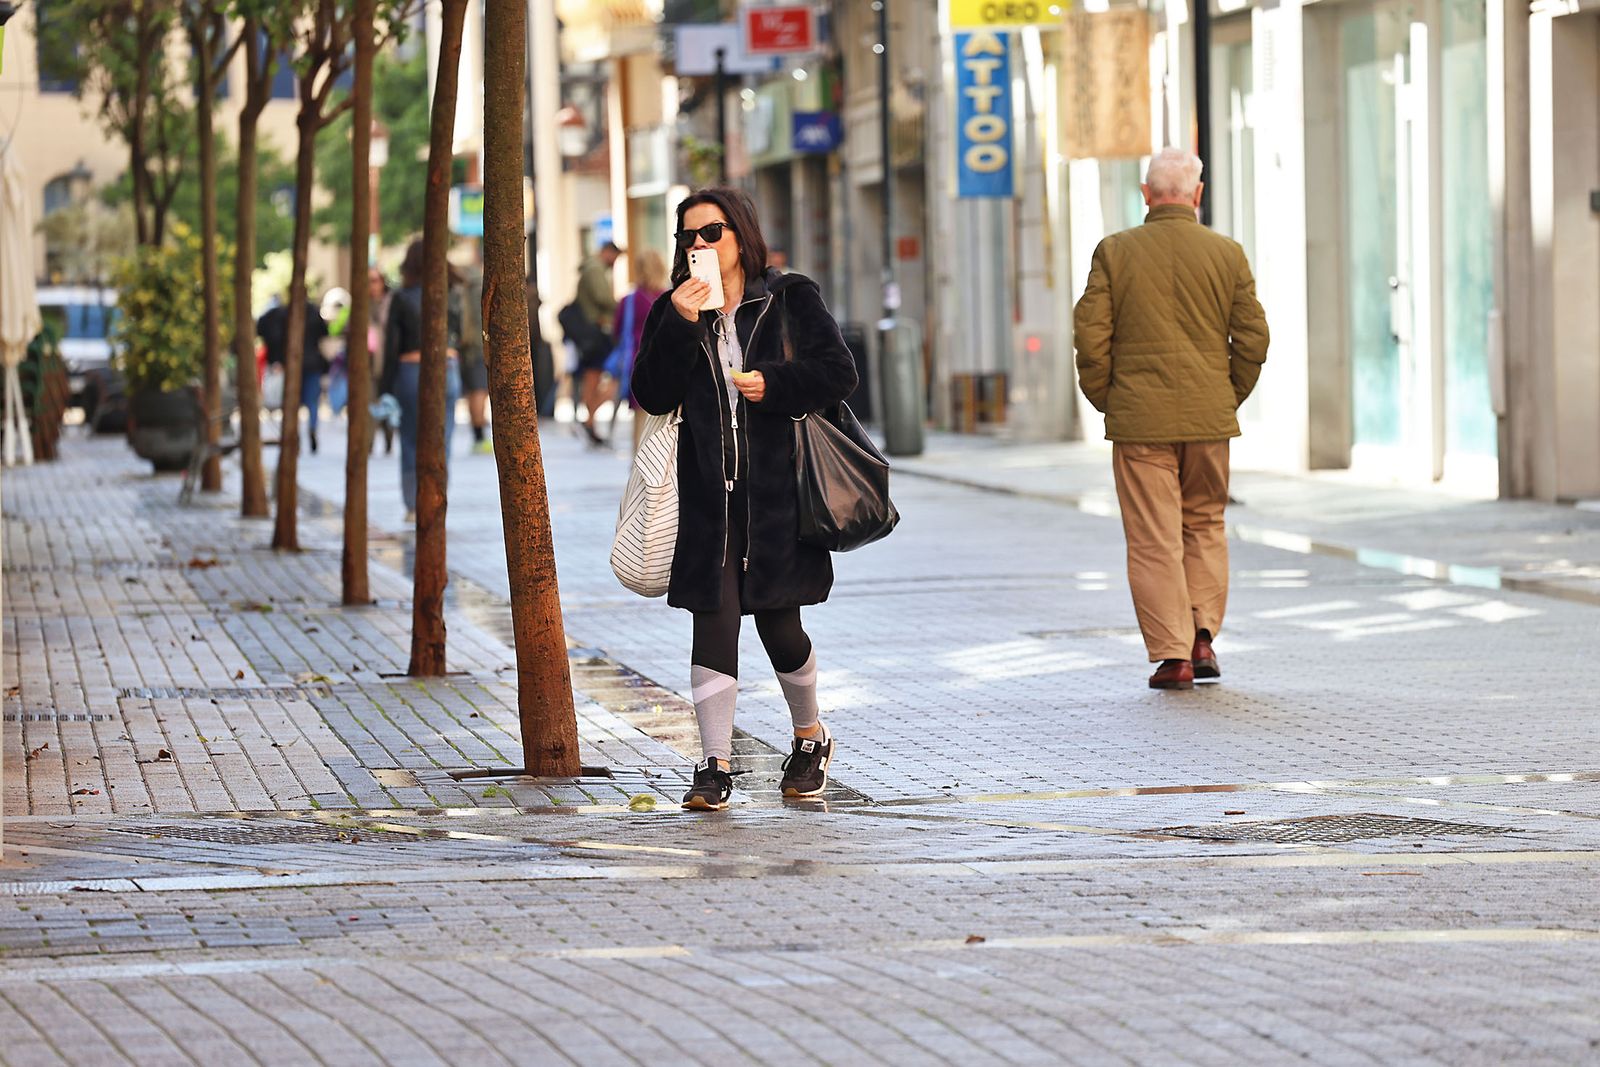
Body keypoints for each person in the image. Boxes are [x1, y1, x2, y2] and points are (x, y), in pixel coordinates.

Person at [631, 188, 858, 811]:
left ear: (741, 235)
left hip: (778, 499)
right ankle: (714, 765)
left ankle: (810, 738)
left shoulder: (787, 298)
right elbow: (650, 393)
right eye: (688, 237)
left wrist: (775, 384)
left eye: (712, 232)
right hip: (707, 496)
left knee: (781, 627)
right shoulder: (673, 311)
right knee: (714, 622)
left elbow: (839, 373)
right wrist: (679, 322)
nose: (699, 246)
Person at [1072, 148, 1270, 690]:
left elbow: (1091, 339)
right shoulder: (1227, 254)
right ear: (1198, 194)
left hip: (1140, 423)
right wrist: (1227, 395)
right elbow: (1253, 338)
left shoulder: (1115, 252)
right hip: (1209, 420)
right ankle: (1203, 635)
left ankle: (1173, 656)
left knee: (1154, 537)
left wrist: (1108, 398)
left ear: (1146, 194)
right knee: (1205, 523)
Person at [380, 239, 462, 524]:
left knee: (411, 440)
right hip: (447, 368)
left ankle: (414, 503)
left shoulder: (402, 298)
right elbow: (460, 335)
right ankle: (439, 498)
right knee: (444, 439)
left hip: (410, 372)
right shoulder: (451, 295)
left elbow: (391, 346)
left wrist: (384, 387)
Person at [610, 248, 668, 452]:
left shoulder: (629, 300)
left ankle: (639, 470)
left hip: (637, 364)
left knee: (640, 423)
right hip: (663, 366)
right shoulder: (668, 298)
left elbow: (616, 331)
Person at [256, 293, 330, 452]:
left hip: (295, 364)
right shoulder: (310, 312)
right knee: (311, 402)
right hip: (309, 364)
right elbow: (324, 332)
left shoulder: (285, 313)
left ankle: (295, 434)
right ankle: (311, 428)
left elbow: (274, 336)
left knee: (293, 403)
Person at [572, 240, 623, 445]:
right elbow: (602, 297)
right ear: (607, 252)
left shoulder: (591, 267)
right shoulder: (595, 269)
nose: (615, 262)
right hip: (597, 330)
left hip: (592, 330)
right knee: (597, 377)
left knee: (593, 377)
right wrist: (621, 306)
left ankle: (589, 421)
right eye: (615, 257)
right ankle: (589, 420)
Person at [454, 263, 492, 454]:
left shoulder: (461, 292)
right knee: (479, 392)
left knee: (472, 392)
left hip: (464, 349)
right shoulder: (479, 291)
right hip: (477, 347)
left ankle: (477, 435)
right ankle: (479, 436)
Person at [367, 266, 397, 454]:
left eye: (375, 280)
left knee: (388, 401)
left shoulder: (392, 302)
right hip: (368, 361)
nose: (372, 285)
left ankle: (388, 438)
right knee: (369, 402)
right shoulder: (362, 304)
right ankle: (368, 442)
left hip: (388, 359)